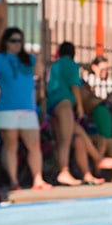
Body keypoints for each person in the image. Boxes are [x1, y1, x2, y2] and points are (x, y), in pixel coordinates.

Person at [0, 27, 50, 191]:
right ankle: (13, 180)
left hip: (27, 108)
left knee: (34, 145)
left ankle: (38, 179)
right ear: (6, 42)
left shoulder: (28, 59)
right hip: (5, 108)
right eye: (13, 41)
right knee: (11, 145)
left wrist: (38, 59)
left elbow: (39, 74)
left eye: (19, 41)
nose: (17, 44)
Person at [45, 41, 84, 186]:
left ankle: (60, 169)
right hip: (64, 103)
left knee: (59, 139)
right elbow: (74, 86)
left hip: (52, 104)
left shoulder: (55, 65)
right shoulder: (71, 65)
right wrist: (79, 106)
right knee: (65, 139)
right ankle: (64, 171)